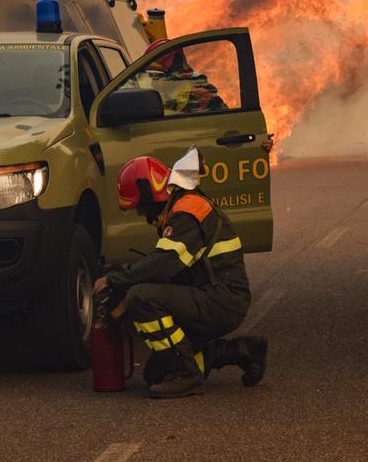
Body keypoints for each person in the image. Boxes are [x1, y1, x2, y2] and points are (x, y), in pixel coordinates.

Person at [94, 147, 267, 398]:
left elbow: (164, 264)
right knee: (154, 374)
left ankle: (188, 375)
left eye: (140, 207)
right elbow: (169, 271)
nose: (142, 214)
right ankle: (243, 351)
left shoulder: (187, 211)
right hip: (213, 295)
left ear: (150, 194)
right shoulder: (181, 207)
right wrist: (121, 300)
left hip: (221, 300)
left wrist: (114, 280)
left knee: (143, 297)